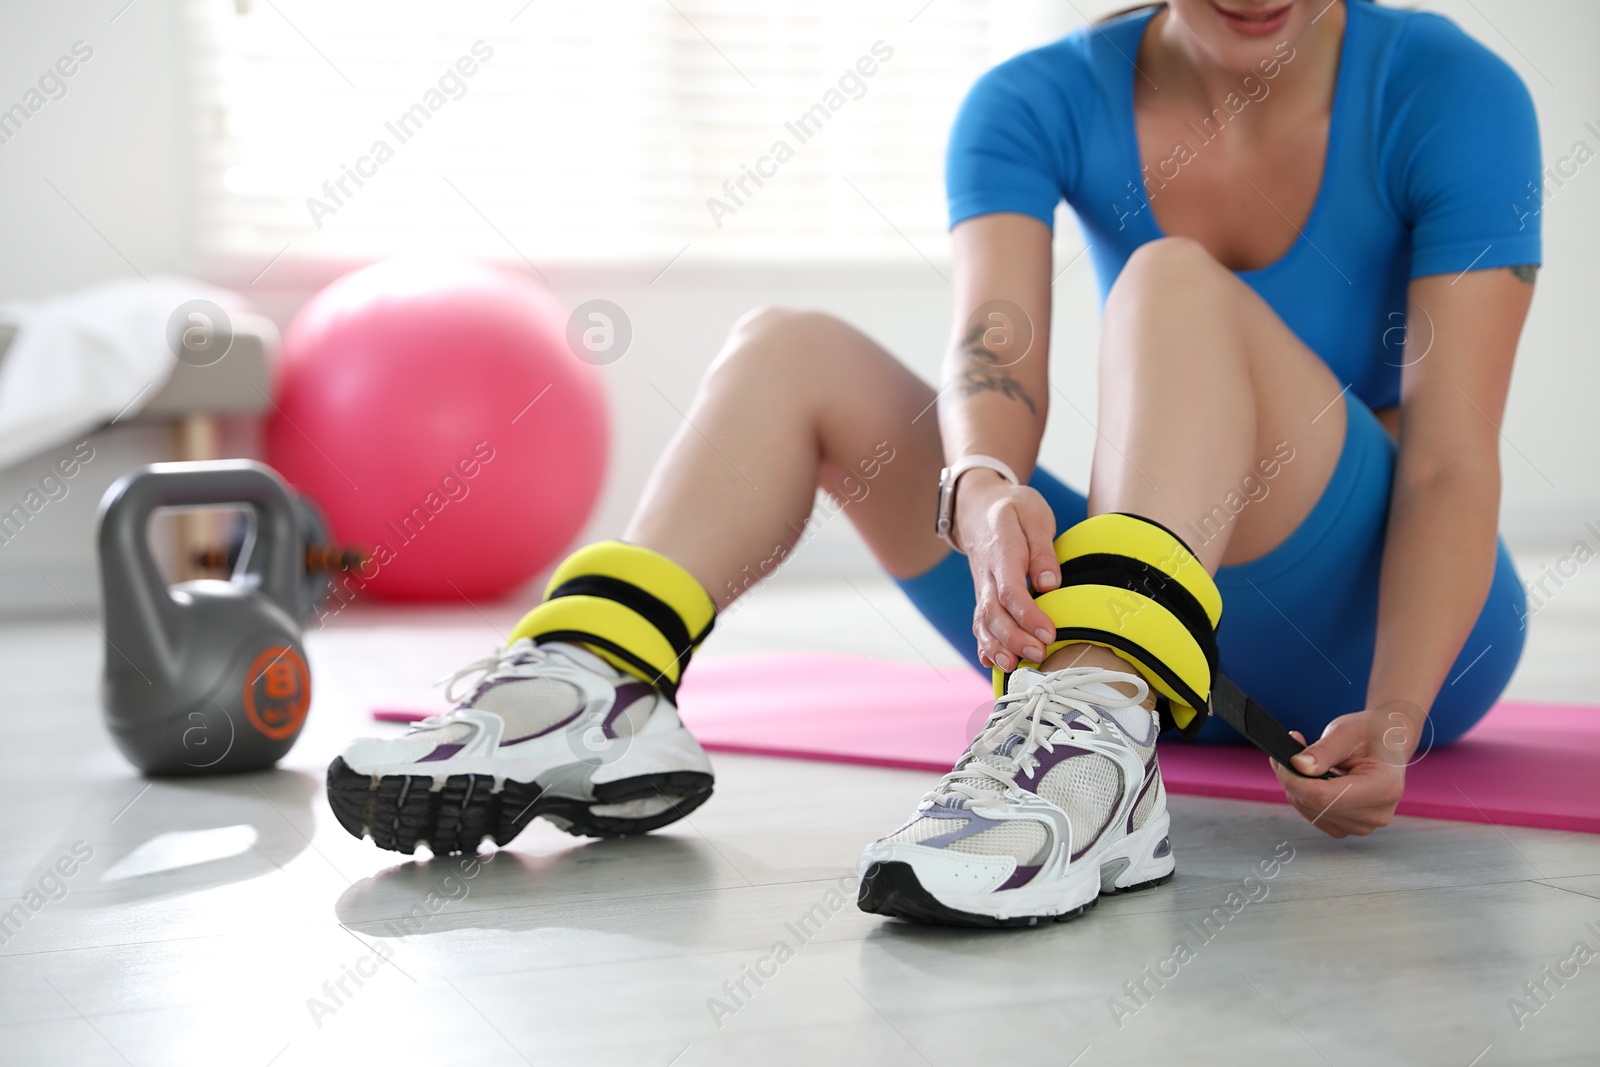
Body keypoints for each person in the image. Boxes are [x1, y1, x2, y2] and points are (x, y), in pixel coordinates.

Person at [327, 0, 1541, 927]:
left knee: (1170, 279)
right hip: (1157, 599)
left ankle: (1098, 742)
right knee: (787, 348)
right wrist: (979, 486)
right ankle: (597, 684)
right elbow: (993, 348)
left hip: (1383, 623)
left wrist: (1395, 711)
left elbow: (1446, 461)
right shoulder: (1034, 98)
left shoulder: (1450, 90)